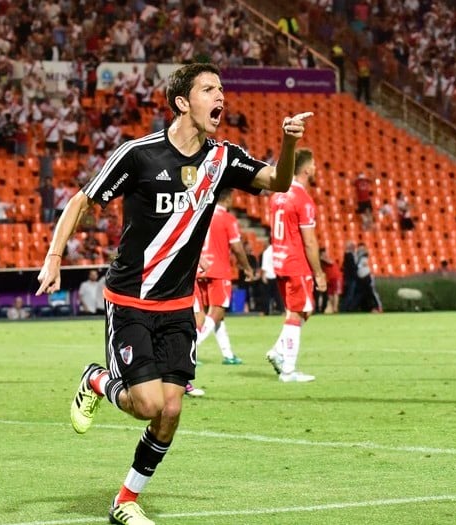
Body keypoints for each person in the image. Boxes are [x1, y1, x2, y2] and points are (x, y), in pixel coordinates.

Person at [35, 63, 313, 525]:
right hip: (130, 303)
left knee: (170, 411)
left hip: (179, 307)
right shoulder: (138, 156)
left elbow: (279, 182)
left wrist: (288, 142)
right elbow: (83, 200)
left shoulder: (222, 158)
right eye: (208, 89)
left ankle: (125, 500)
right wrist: (54, 256)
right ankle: (97, 379)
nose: (219, 96)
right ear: (183, 102)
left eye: (221, 88)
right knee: (145, 404)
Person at [266, 148, 326, 383]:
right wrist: (319, 272)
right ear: (306, 168)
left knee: (302, 310)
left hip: (279, 261)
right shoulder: (302, 199)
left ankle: (278, 351)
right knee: (298, 312)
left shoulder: (277, 195)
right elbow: (309, 241)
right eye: (313, 164)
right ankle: (288, 369)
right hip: (296, 262)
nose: (315, 168)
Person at [195, 189, 254, 366]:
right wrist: (247, 268)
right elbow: (236, 247)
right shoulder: (227, 219)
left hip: (200, 269)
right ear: (227, 199)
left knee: (213, 315)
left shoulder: (201, 215)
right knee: (217, 311)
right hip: (218, 270)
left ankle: (228, 354)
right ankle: (191, 347)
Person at [260, 240, 284, 314]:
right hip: (277, 275)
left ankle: (265, 311)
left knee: (266, 295)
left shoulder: (266, 252)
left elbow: (264, 266)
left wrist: (263, 276)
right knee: (278, 295)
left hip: (268, 276)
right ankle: (282, 310)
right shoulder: (279, 251)